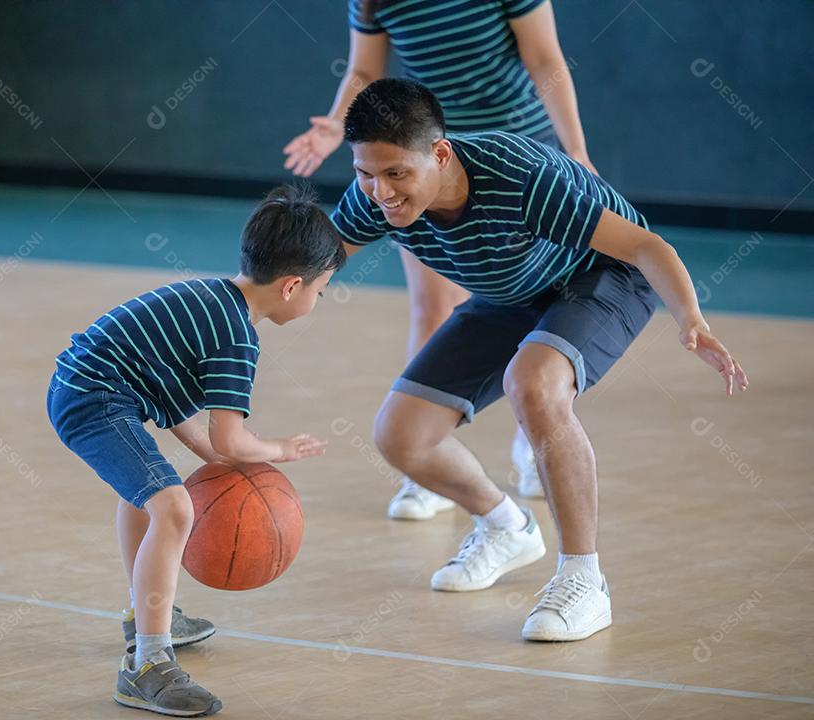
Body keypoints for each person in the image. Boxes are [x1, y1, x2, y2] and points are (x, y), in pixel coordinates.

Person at [331, 79, 747, 641]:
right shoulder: (375, 196)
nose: (380, 191)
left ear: (440, 153)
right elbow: (308, 266)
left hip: (601, 276)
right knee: (400, 436)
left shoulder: (521, 176)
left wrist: (690, 318)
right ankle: (505, 527)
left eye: (396, 174)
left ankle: (584, 579)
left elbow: (647, 247)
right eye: (365, 174)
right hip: (514, 292)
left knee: (534, 383)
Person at [285, 0, 597, 514]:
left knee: (529, 298)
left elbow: (544, 59)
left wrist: (577, 151)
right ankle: (427, 461)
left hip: (514, 155)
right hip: (420, 168)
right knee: (431, 305)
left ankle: (533, 439)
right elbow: (364, 70)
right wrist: (335, 127)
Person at [47, 184, 344, 715]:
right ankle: (147, 664)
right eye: (321, 291)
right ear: (293, 285)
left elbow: (182, 409)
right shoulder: (237, 335)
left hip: (83, 388)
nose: (318, 301)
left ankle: (147, 615)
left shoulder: (212, 300)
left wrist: (218, 457)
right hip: (94, 398)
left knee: (148, 493)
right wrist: (279, 449)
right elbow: (230, 438)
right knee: (173, 505)